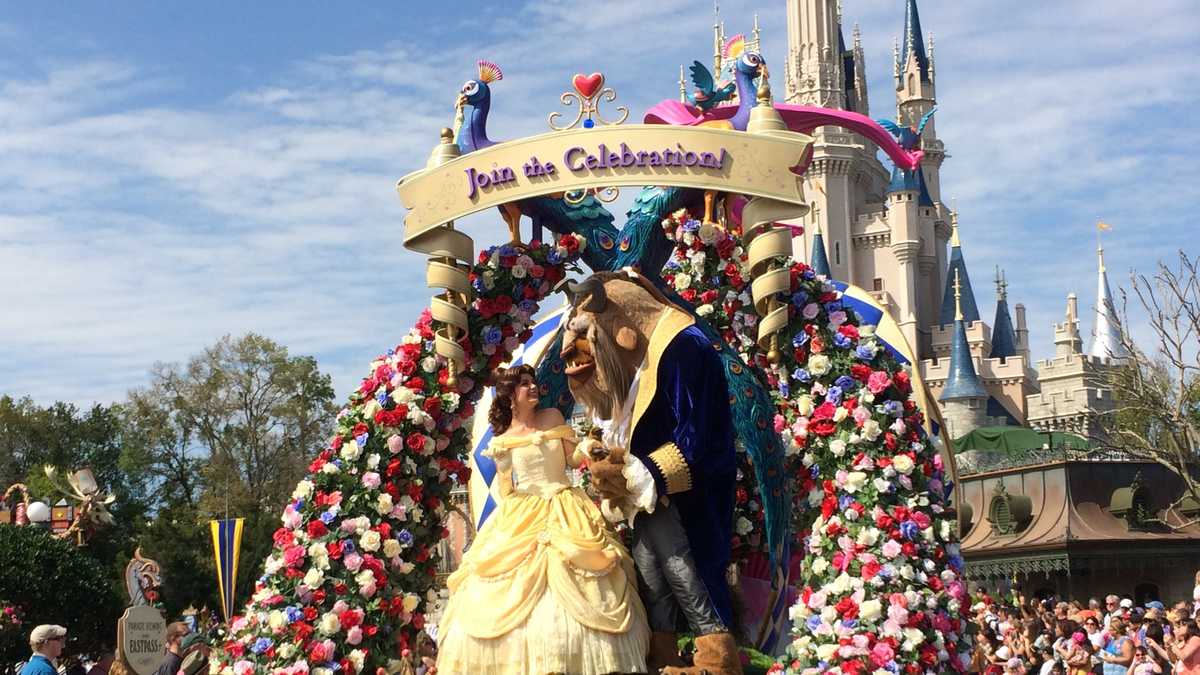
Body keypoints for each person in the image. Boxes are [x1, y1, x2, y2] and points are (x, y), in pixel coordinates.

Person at [435, 365, 649, 675]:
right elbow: (507, 488)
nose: (532, 387)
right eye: (524, 384)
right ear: (510, 396)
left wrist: (586, 448)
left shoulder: (553, 418)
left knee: (586, 574)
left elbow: (572, 459)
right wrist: (510, 520)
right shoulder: (503, 436)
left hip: (565, 503)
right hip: (525, 509)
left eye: (533, 382)